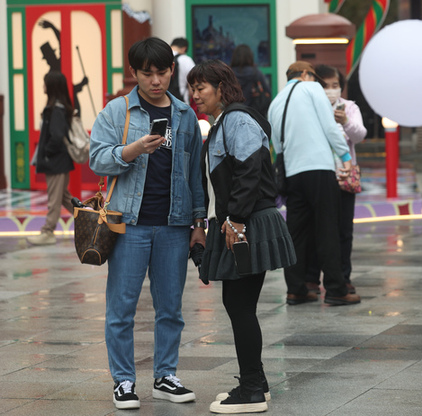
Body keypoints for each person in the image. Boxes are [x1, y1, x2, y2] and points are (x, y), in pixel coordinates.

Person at [89, 37, 206, 410]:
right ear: (134, 73)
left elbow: (195, 176)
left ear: (173, 70)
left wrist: (199, 222)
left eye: (162, 72)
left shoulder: (186, 116)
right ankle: (123, 382)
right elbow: (97, 160)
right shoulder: (117, 111)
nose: (156, 81)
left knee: (170, 307)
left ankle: (165, 375)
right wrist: (134, 149)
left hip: (174, 224)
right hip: (130, 224)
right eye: (147, 73)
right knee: (121, 307)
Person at [187, 60, 296, 414]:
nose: (195, 95)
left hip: (249, 223)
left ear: (222, 88)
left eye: (201, 87)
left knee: (239, 305)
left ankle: (251, 389)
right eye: (192, 88)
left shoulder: (237, 119)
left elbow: (250, 171)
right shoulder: (220, 124)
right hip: (238, 222)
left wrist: (235, 220)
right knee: (237, 304)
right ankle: (256, 383)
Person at [267, 61, 361, 306]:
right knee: (327, 228)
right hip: (318, 168)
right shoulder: (311, 89)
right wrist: (345, 156)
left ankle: (296, 289)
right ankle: (336, 289)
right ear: (306, 75)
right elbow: (330, 126)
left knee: (296, 232)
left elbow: (276, 142)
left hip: (291, 173)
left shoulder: (276, 102)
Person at [304, 65, 367, 295]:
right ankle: (311, 278)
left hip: (344, 176)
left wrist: (345, 122)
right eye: (326, 86)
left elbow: (360, 135)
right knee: (315, 228)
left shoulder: (349, 107)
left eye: (335, 86)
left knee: (343, 230)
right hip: (319, 175)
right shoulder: (310, 107)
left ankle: (343, 277)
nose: (331, 91)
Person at [28, 71, 75, 246]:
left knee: (54, 199)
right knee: (65, 198)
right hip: (59, 161)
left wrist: (47, 153)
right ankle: (92, 221)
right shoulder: (59, 108)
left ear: (52, 87)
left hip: (55, 162)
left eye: (45, 83)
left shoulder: (56, 110)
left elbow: (56, 137)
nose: (43, 87)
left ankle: (48, 232)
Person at [230, 44, 272, 118]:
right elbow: (267, 91)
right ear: (250, 57)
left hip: (233, 111)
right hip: (254, 113)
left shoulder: (229, 74)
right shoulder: (256, 72)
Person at [170, 37, 196, 106]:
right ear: (184, 48)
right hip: (181, 102)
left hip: (163, 102)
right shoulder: (186, 60)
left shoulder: (162, 57)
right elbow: (192, 85)